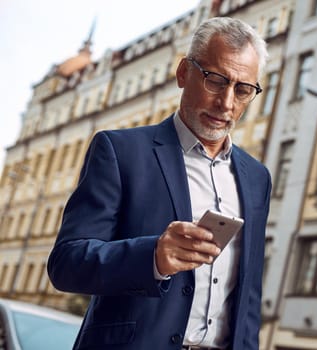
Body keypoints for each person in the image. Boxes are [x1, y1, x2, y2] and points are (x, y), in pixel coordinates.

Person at [47, 17, 271, 350]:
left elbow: (248, 297)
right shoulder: (120, 151)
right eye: (215, 80)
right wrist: (152, 256)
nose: (226, 103)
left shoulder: (257, 177)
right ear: (183, 73)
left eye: (242, 90)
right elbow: (67, 264)